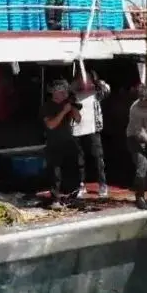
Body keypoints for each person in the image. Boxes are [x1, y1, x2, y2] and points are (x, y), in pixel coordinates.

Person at [41, 79, 82, 209]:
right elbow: (51, 125)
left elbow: (78, 119)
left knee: (73, 169)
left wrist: (73, 107)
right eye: (61, 91)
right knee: (55, 173)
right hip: (54, 142)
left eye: (65, 91)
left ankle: (71, 196)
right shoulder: (47, 106)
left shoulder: (68, 103)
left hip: (68, 140)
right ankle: (55, 199)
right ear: (55, 93)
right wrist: (64, 111)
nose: (64, 94)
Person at [70, 71, 111, 199]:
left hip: (93, 128)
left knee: (98, 157)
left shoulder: (96, 92)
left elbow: (107, 89)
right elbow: (67, 94)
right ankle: (81, 185)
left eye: (86, 78)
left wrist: (97, 82)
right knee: (80, 159)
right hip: (77, 129)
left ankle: (102, 184)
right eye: (81, 78)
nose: (84, 81)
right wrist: (75, 85)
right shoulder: (74, 93)